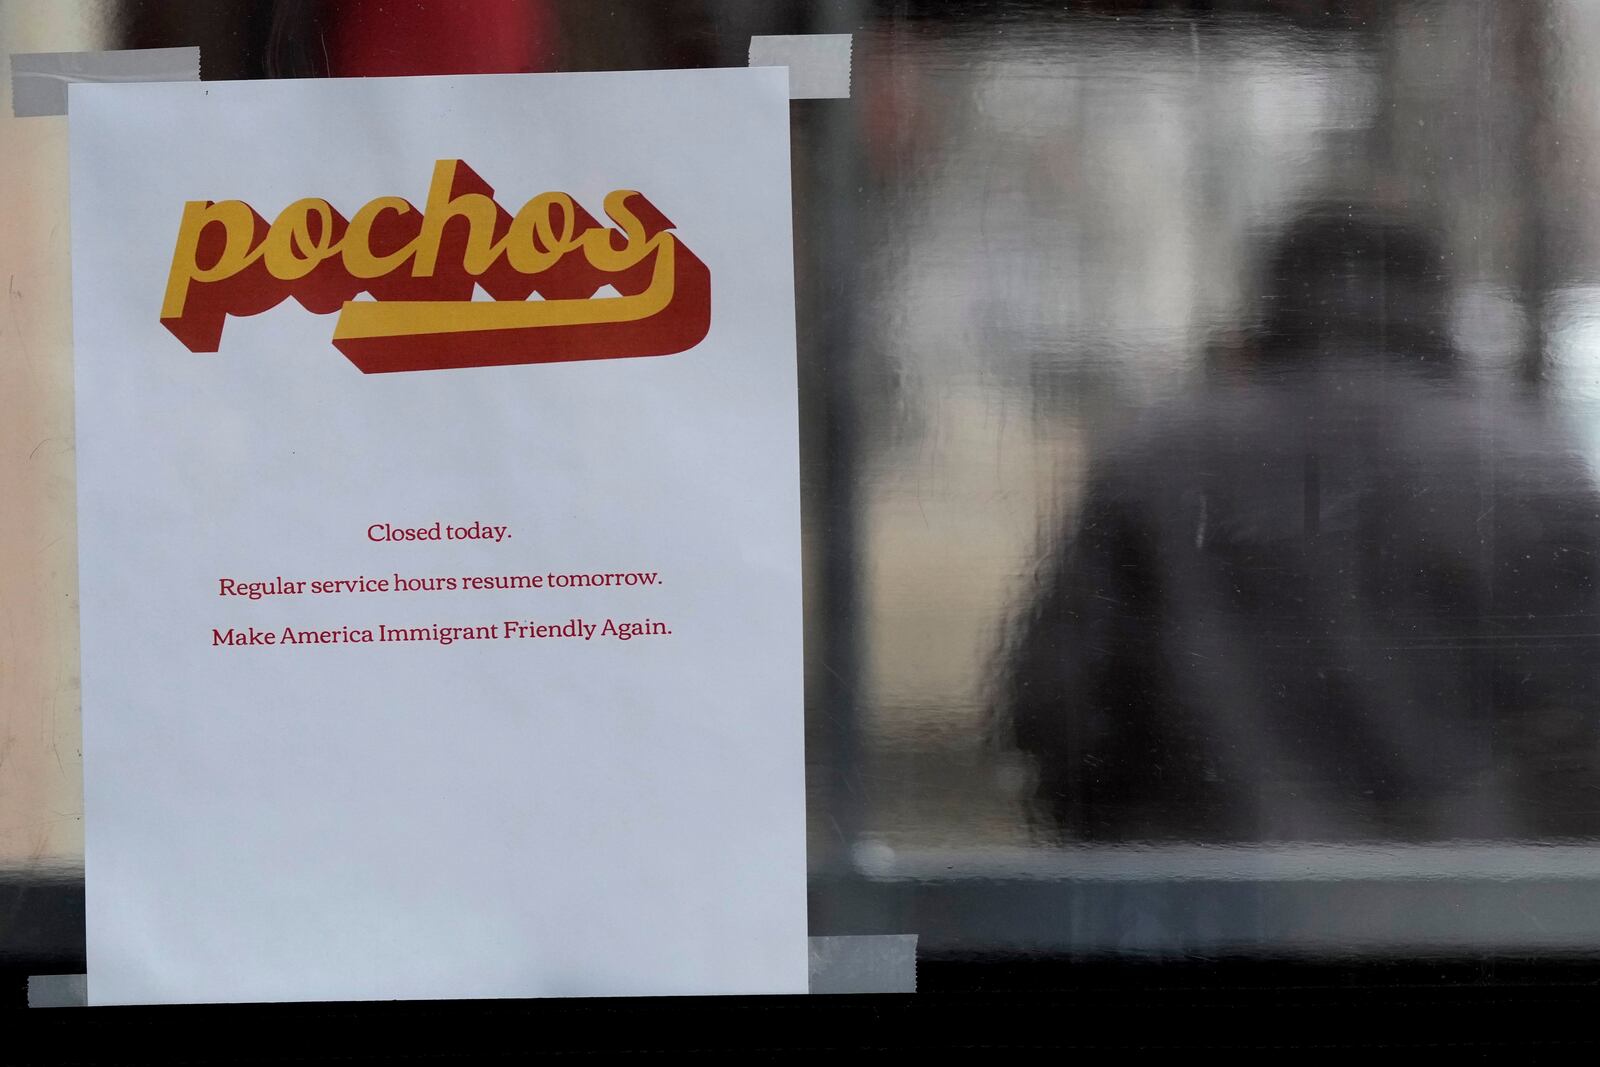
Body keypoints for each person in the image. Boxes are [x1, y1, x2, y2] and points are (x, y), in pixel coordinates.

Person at [1003, 205, 1600, 842]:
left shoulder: (1157, 462)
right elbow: (1574, 717)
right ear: (1436, 298)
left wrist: (1142, 869)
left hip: (1216, 906)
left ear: (1274, 296)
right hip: (1468, 911)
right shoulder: (1528, 469)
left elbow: (1058, 710)